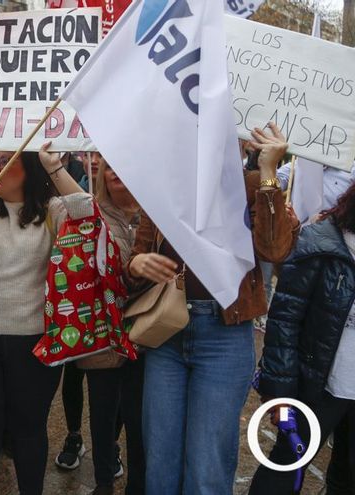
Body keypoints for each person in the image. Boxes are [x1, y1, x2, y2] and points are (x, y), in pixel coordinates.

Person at [125, 123, 298, 494]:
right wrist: (136, 265)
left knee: (207, 468)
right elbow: (137, 255)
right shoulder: (165, 187)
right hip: (166, 331)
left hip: (225, 335)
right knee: (160, 463)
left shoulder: (252, 185)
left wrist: (269, 172)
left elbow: (274, 250)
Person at [0, 146, 82, 495]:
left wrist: (54, 168)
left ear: (28, 170)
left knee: (29, 429)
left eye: (6, 161)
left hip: (34, 341)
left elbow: (86, 211)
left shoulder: (52, 211)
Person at [249, 180, 355, 494]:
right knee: (284, 470)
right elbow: (284, 324)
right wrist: (279, 392)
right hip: (319, 387)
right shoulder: (318, 243)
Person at [76, 154, 144, 495]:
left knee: (136, 417)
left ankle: (137, 484)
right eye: (110, 165)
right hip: (102, 331)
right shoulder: (91, 211)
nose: (116, 170)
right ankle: (104, 482)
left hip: (147, 333)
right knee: (102, 414)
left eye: (124, 163)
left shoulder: (158, 217)